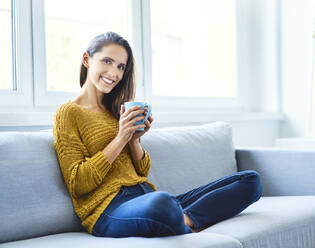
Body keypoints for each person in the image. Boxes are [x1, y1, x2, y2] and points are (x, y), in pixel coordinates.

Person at [53, 31, 263, 238]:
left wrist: (134, 140)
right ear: (86, 59)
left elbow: (142, 173)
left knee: (250, 181)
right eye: (107, 61)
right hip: (108, 211)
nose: (114, 73)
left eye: (120, 66)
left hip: (144, 195)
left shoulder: (116, 110)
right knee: (163, 203)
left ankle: (184, 221)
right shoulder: (69, 113)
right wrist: (121, 138)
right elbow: (78, 183)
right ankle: (182, 221)